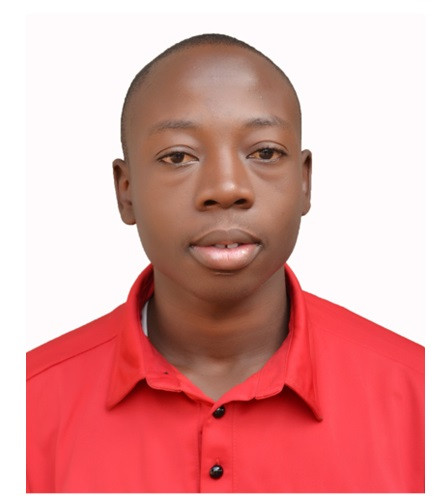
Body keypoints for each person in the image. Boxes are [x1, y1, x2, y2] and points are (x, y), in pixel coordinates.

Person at [26, 33, 424, 493]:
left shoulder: (419, 395)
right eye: (178, 156)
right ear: (125, 190)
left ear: (304, 182)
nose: (226, 187)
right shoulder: (26, 407)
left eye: (265, 153)